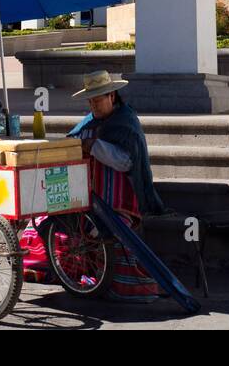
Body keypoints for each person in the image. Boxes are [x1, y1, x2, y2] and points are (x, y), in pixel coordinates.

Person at [68, 70, 166, 301]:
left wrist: (92, 146)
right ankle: (76, 274)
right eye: (90, 100)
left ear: (112, 96)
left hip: (123, 200)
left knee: (111, 228)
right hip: (88, 197)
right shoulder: (88, 121)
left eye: (98, 99)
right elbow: (71, 139)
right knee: (55, 225)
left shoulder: (126, 122)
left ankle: (123, 283)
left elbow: (125, 162)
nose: (93, 105)